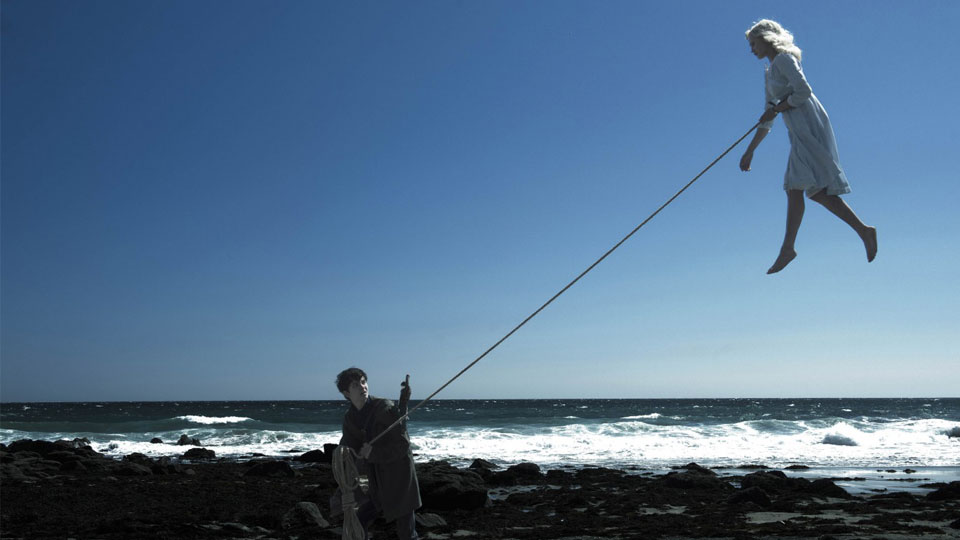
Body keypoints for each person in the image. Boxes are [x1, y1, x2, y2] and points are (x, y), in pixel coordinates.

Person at [739, 19, 877, 274]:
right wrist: (750, 150)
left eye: (753, 43)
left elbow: (803, 91)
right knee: (816, 192)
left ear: (766, 38)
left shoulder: (784, 59)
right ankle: (863, 231)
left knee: (795, 186)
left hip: (809, 125)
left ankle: (787, 249)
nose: (752, 50)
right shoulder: (769, 72)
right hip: (797, 130)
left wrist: (779, 108)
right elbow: (768, 116)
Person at [336, 367, 421, 540]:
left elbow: (403, 445)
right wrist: (344, 457)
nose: (363, 387)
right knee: (358, 522)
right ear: (346, 393)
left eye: (363, 382)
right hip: (376, 482)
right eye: (355, 385)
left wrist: (373, 453)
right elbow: (348, 447)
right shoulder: (349, 418)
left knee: (407, 533)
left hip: (399, 478)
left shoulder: (384, 408)